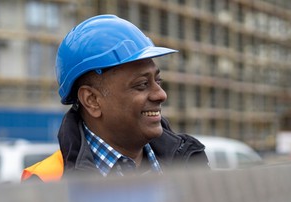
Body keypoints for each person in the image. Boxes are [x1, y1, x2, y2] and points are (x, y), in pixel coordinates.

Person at [21, 14, 209, 182]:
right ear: (92, 100)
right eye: (142, 84)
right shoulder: (47, 182)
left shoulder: (190, 165)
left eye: (158, 81)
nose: (161, 94)